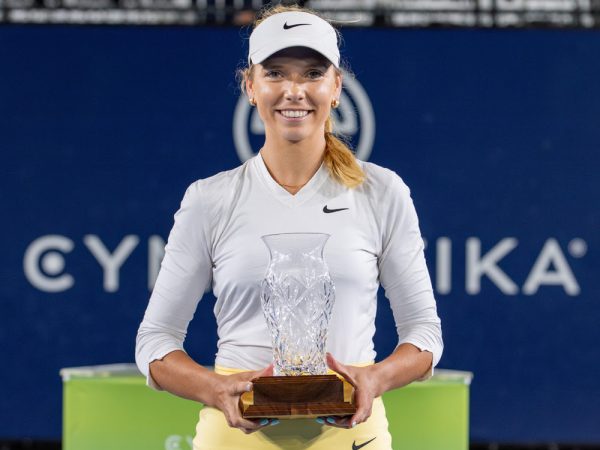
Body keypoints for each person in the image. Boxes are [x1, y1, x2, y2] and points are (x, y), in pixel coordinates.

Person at [135, 4, 443, 450]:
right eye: (276, 73)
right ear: (251, 86)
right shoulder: (209, 199)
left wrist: (374, 378)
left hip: (353, 434)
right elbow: (155, 341)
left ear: (336, 87)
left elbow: (424, 333)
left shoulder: (382, 192)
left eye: (312, 74)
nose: (294, 91)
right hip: (236, 437)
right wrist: (216, 389)